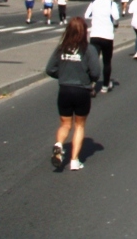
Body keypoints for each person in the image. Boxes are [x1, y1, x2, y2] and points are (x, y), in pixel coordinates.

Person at [46, 17, 100, 171]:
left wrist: (62, 76)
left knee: (65, 124)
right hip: (82, 90)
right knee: (79, 125)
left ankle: (58, 145)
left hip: (64, 90)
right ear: (84, 32)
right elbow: (96, 72)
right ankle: (75, 161)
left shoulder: (61, 48)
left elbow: (50, 69)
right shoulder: (89, 49)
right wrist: (88, 79)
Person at [84, 0, 119, 93]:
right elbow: (116, 17)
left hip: (95, 35)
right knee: (107, 62)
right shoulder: (112, 4)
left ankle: (92, 83)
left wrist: (95, 17)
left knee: (93, 60)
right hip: (107, 36)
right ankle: (105, 85)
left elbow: (86, 15)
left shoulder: (94, 2)